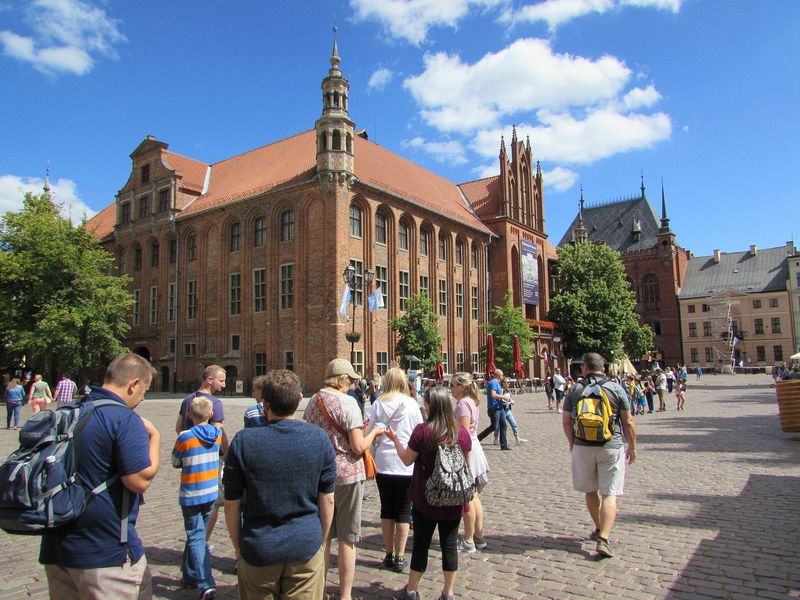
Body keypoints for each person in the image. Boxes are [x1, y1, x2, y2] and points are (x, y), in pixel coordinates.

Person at [39, 353, 161, 599]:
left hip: (56, 547)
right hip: (105, 551)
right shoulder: (124, 418)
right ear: (133, 384)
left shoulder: (69, 411)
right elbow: (138, 481)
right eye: (144, 390)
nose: (143, 397)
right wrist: (156, 438)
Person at [224, 370, 336, 600]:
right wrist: (320, 541)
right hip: (305, 546)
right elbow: (328, 499)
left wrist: (239, 549)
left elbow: (231, 504)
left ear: (264, 404)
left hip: (258, 548)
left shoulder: (244, 442)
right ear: (299, 400)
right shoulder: (318, 438)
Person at [304, 358, 385, 600]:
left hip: (320, 475)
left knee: (323, 538)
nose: (352, 384)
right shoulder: (348, 403)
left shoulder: (313, 401)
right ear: (341, 379)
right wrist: (375, 433)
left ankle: (317, 591)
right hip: (348, 475)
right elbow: (358, 446)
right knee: (348, 540)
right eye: (350, 380)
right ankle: (346, 595)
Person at [388, 385, 471, 600]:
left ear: (430, 405)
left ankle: (412, 590)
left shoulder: (423, 431)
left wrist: (395, 439)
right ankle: (448, 593)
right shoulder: (461, 432)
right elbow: (466, 468)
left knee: (421, 545)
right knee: (449, 546)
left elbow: (407, 460)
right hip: (454, 499)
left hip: (427, 499)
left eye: (425, 402)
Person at [562, 352, 636, 559]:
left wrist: (573, 444)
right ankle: (604, 537)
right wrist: (633, 446)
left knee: (590, 491)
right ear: (603, 368)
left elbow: (566, 422)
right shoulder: (616, 388)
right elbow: (628, 421)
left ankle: (598, 527)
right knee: (610, 493)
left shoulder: (575, 389)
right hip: (611, 445)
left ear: (584, 368)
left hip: (582, 446)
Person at [364, 367, 423, 573]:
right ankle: (399, 556)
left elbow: (366, 429)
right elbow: (420, 431)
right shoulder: (411, 403)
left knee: (386, 509)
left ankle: (388, 554)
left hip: (383, 462)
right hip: (406, 461)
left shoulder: (378, 403)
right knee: (404, 511)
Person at [172, 396, 222, 599]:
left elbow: (176, 461)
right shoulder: (217, 434)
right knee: (198, 534)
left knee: (195, 535)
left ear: (189, 415)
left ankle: (205, 582)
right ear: (211, 414)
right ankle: (189, 574)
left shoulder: (185, 436)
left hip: (191, 493)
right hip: (211, 492)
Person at [176, 365, 229, 546]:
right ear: (209, 380)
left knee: (192, 504)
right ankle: (201, 543)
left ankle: (196, 541)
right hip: (211, 461)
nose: (223, 385)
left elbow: (178, 428)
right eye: (221, 381)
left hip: (190, 461)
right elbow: (218, 432)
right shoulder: (214, 403)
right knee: (212, 501)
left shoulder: (187, 400)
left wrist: (190, 445)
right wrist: (228, 454)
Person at [450, 372, 490, 554]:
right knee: (473, 495)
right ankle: (479, 537)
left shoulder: (464, 404)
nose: (450, 388)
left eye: (452, 385)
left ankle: (468, 540)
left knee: (468, 498)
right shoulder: (470, 401)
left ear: (462, 387)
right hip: (473, 448)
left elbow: (463, 434)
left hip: (467, 450)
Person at [476, 369, 511, 451]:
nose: (503, 376)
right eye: (502, 375)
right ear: (499, 375)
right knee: (493, 427)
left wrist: (508, 400)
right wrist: (503, 397)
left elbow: (499, 395)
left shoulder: (498, 384)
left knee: (503, 425)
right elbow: (493, 395)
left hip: (500, 407)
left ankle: (504, 445)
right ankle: (478, 438)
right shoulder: (493, 383)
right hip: (494, 408)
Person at [499, 377, 528, 445]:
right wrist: (509, 402)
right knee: (497, 426)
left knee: (514, 423)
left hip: (507, 410)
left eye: (509, 382)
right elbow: (501, 400)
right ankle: (495, 438)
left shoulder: (508, 390)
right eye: (507, 382)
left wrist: (511, 401)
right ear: (503, 383)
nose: (509, 384)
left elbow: (508, 399)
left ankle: (517, 439)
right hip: (502, 410)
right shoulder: (501, 390)